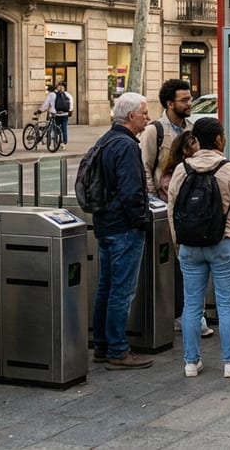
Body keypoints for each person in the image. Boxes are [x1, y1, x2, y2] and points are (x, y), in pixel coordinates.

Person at [166, 117, 230, 379]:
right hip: (223, 243)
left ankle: (191, 362)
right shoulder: (229, 169)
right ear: (217, 139)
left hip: (190, 245)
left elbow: (172, 210)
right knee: (226, 304)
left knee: (191, 305)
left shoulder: (182, 169)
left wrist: (178, 243)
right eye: (222, 135)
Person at [140, 78, 210, 336]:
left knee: (192, 263)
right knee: (174, 265)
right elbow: (146, 167)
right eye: (184, 100)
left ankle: (192, 315)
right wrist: (153, 202)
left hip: (193, 208)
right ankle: (178, 314)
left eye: (190, 98)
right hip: (165, 206)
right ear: (170, 104)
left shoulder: (192, 128)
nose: (189, 103)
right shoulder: (155, 131)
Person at [90, 92, 154, 370]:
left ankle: (102, 345)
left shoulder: (106, 139)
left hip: (105, 224)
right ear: (131, 116)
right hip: (124, 228)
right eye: (144, 113)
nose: (147, 118)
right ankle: (118, 349)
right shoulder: (127, 146)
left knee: (106, 287)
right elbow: (131, 192)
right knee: (122, 291)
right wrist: (142, 221)